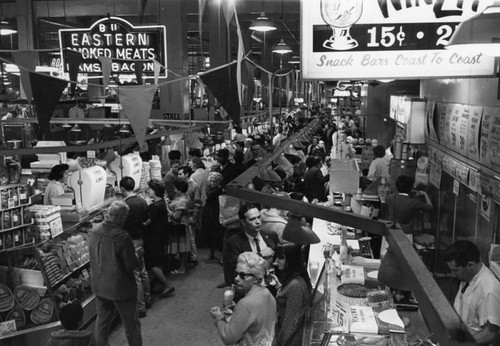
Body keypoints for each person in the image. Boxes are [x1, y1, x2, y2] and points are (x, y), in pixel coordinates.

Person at [88, 200, 142, 346]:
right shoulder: (122, 236)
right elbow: (131, 264)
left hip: (99, 285)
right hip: (120, 288)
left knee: (102, 322)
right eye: (125, 217)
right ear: (121, 217)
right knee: (131, 325)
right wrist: (138, 255)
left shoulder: (94, 230)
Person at [210, 252, 276, 346]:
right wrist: (237, 309)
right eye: (236, 273)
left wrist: (218, 317)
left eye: (243, 275)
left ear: (256, 278)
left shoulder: (246, 304)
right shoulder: (268, 293)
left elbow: (228, 337)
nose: (237, 279)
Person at [443, 240, 500, 345]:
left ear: (470, 265)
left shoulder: (488, 290)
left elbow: (490, 333)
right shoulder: (468, 276)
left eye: (455, 270)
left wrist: (460, 344)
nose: (453, 275)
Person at [220, 203, 278, 288]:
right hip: (247, 290)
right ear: (243, 223)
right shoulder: (234, 242)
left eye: (258, 217)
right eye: (252, 219)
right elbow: (233, 266)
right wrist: (260, 255)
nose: (258, 222)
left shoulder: (271, 236)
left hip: (270, 288)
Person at [119, 177, 151, 318]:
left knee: (135, 275)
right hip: (140, 240)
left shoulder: (125, 206)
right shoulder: (142, 201)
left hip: (130, 243)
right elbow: (145, 220)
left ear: (122, 189)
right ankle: (148, 299)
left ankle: (140, 308)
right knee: (143, 272)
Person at [273, 244, 312, 346]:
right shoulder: (295, 276)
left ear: (292, 260)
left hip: (289, 340)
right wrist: (279, 286)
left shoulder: (295, 286)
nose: (276, 261)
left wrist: (278, 343)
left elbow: (290, 323)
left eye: (281, 258)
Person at [143, 179, 175, 298]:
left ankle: (167, 285)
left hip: (153, 239)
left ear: (155, 191)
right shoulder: (161, 203)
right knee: (158, 261)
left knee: (153, 264)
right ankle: (159, 283)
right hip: (161, 237)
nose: (148, 191)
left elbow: (146, 223)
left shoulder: (155, 207)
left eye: (150, 189)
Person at [385, 175, 433, 242]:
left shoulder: (390, 198)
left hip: (390, 231)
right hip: (405, 234)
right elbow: (430, 208)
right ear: (411, 188)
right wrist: (425, 194)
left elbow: (397, 198)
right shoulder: (413, 202)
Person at [178, 166, 202, 266]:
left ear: (186, 174)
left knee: (191, 238)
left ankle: (193, 258)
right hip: (186, 215)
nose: (178, 176)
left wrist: (194, 217)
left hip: (191, 214)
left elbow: (197, 203)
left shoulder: (194, 186)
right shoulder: (181, 185)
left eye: (180, 174)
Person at [166, 178, 191, 274]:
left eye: (175, 188)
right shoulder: (181, 197)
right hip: (178, 226)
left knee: (181, 248)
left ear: (179, 188)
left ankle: (182, 267)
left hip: (179, 226)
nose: (174, 189)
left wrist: (167, 209)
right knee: (181, 248)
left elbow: (176, 216)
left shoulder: (182, 201)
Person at [203, 172, 225, 261]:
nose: (212, 183)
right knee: (211, 234)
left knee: (219, 235)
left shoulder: (219, 189)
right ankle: (212, 253)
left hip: (218, 213)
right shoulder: (211, 188)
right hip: (211, 213)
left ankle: (220, 255)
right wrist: (219, 190)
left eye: (214, 181)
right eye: (211, 181)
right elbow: (209, 195)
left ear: (219, 181)